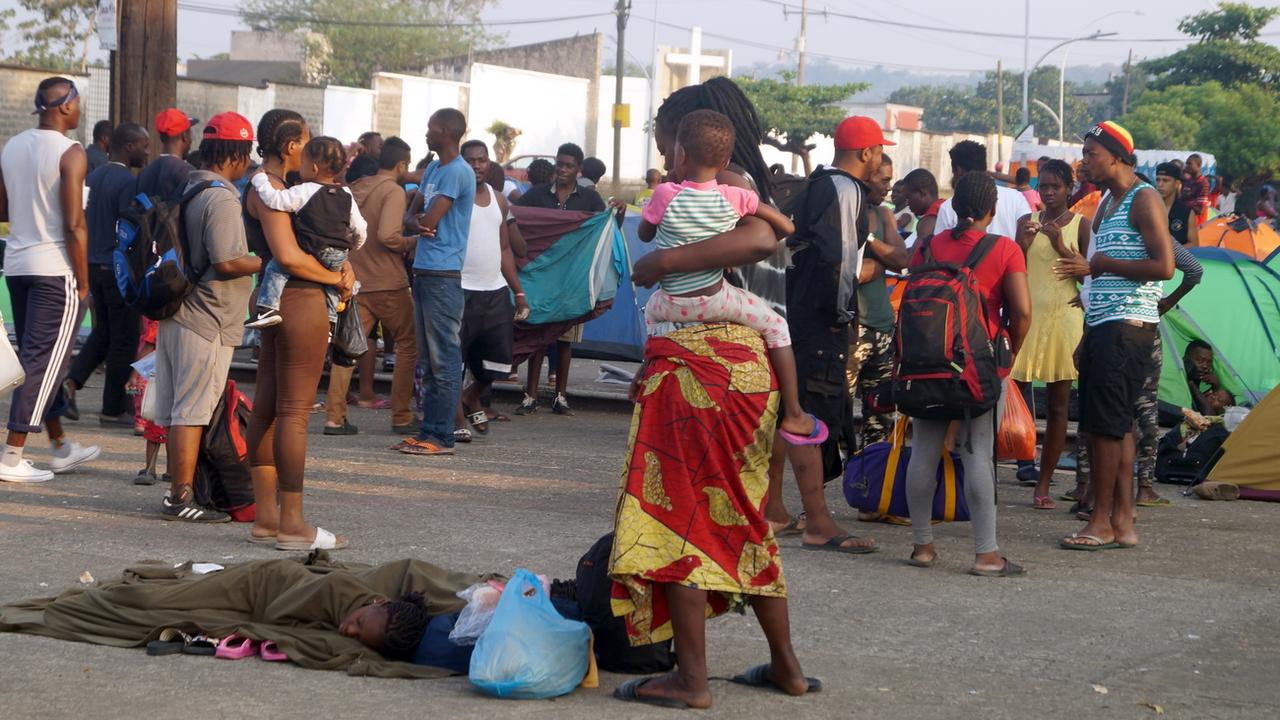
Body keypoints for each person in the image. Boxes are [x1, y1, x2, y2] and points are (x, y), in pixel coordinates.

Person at [638, 109, 821, 445]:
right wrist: (734, 217)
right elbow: (786, 228)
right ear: (724, 166)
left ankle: (643, 375)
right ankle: (794, 412)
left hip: (668, 304)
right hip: (715, 301)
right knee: (776, 327)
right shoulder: (733, 196)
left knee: (648, 312)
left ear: (680, 154)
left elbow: (645, 234)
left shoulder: (665, 194)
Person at [779, 115, 910, 554]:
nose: (879, 163)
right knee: (814, 420)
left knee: (791, 413)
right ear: (868, 153)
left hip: (799, 315)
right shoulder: (845, 190)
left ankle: (776, 509)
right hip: (821, 322)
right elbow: (840, 261)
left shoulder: (819, 182)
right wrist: (840, 314)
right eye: (878, 152)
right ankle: (818, 522)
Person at [1054, 121, 1174, 551]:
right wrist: (1087, 335)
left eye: (1090, 153)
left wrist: (1102, 264)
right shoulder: (1106, 202)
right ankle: (1122, 521)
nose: (1084, 161)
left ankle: (1100, 521)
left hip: (1128, 326)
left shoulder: (1145, 199)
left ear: (1117, 156)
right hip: (1105, 326)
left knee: (1104, 429)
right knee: (1116, 426)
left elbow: (1164, 267)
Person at [904, 172, 1031, 575]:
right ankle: (986, 554)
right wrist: (1008, 349)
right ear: (993, 211)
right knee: (977, 453)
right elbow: (1023, 311)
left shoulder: (924, 247)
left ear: (953, 207)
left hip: (925, 363)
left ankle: (922, 546)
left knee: (923, 451)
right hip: (978, 366)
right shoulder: (1005, 249)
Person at [245, 108, 355, 548]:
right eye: (307, 141)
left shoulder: (283, 189)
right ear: (293, 147)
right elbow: (289, 256)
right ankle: (292, 522)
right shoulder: (270, 187)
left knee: (268, 408)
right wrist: (337, 276)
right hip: (302, 301)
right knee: (292, 413)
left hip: (279, 303)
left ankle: (267, 519)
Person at [153, 113, 261, 522]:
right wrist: (262, 260)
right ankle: (181, 498)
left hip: (178, 310)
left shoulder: (188, 183)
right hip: (207, 317)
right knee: (193, 411)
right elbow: (228, 262)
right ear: (237, 153)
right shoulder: (221, 196)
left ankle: (183, 488)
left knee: (180, 408)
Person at [0, 77, 101, 484]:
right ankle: (11, 456)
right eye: (78, 104)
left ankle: (59, 445)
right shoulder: (71, 152)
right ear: (65, 106)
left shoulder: (12, 145)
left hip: (19, 265)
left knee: (40, 358)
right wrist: (83, 281)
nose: (80, 111)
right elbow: (75, 225)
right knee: (42, 364)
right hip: (55, 269)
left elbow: (3, 205)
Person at [324, 136, 420, 436]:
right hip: (388, 282)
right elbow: (390, 236)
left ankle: (334, 417)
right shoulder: (393, 190)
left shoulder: (357, 186)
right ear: (402, 165)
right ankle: (402, 415)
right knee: (408, 344)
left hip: (356, 280)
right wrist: (417, 241)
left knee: (347, 350)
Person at [393, 108, 474, 457]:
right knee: (427, 361)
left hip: (443, 277)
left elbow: (428, 219)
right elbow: (412, 218)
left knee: (443, 360)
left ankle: (443, 436)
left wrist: (416, 219)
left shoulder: (456, 172)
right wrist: (415, 219)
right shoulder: (434, 170)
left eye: (430, 128)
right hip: (425, 272)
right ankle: (428, 430)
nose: (425, 133)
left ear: (445, 131)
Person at [1011, 159, 1088, 510]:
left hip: (1064, 321)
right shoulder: (1024, 224)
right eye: (1043, 186)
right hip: (1027, 319)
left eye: (1055, 186)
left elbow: (1089, 278)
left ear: (1069, 189)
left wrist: (1060, 246)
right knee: (1015, 398)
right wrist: (1023, 246)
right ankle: (1021, 462)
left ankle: (1043, 483)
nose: (1048, 192)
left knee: (1058, 407)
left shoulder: (1081, 226)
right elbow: (1011, 272)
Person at [63, 123, 150, 427]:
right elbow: (134, 226)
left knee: (103, 333)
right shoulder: (128, 181)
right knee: (124, 339)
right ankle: (113, 408)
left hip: (92, 266)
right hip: (118, 269)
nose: (147, 151)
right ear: (128, 147)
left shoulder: (93, 176)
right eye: (143, 145)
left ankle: (71, 383)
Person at [512, 142, 606, 417]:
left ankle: (560, 397)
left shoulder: (589, 199)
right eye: (559, 164)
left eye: (568, 166)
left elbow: (602, 230)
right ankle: (529, 396)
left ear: (578, 170)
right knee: (537, 337)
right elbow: (516, 218)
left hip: (571, 282)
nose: (562, 170)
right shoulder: (537, 195)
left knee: (565, 339)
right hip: (541, 280)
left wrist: (618, 215)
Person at [451, 140, 530, 442]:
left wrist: (519, 292)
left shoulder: (499, 200)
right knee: (454, 359)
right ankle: (456, 417)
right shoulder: (454, 198)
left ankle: (472, 397)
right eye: (470, 160)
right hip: (459, 288)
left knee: (500, 360)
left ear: (488, 163)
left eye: (481, 160)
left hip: (495, 290)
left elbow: (505, 248)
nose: (476, 166)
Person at [244, 137, 367, 329]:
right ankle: (330, 322)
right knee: (329, 288)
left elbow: (275, 200)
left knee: (276, 266)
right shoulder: (346, 193)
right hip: (339, 255)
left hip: (314, 249)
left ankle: (268, 307)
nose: (300, 166)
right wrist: (352, 247)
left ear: (314, 169)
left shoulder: (304, 190)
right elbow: (360, 228)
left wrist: (260, 179)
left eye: (303, 162)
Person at [847, 154, 907, 447]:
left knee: (880, 417)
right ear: (866, 176)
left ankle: (871, 473)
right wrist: (881, 262)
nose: (888, 186)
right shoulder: (846, 209)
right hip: (852, 329)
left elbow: (903, 259)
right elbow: (851, 273)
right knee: (840, 410)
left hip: (882, 326)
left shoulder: (884, 215)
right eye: (883, 180)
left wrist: (869, 241)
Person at [137, 108, 198, 201]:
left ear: (162, 138)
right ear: (185, 136)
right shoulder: (187, 172)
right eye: (190, 134)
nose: (191, 139)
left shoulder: (145, 172)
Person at [1156, 162, 1199, 246]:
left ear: (1177, 184)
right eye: (1158, 180)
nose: (1160, 185)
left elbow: (1194, 244)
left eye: (1165, 180)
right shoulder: (1149, 209)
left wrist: (1169, 253)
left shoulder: (1186, 212)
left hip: (1177, 258)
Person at [902, 168, 940, 244]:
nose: (907, 203)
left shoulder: (928, 221)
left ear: (922, 194)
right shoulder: (944, 207)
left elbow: (916, 254)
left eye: (908, 198)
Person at [1180, 153, 1210, 223]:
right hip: (1187, 221)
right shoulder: (1188, 181)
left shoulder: (1203, 183)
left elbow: (1200, 210)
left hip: (1198, 223)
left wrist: (1184, 203)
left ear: (1199, 165)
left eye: (1190, 164)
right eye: (1186, 164)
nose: (1187, 166)